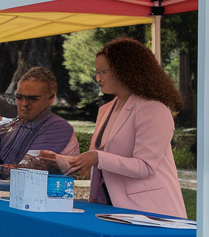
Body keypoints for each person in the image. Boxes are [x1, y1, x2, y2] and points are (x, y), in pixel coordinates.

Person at [42, 37, 186, 218]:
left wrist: (97, 157)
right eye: (96, 72)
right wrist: (60, 160)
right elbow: (100, 160)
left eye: (104, 71)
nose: (98, 78)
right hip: (111, 207)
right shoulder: (106, 109)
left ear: (126, 70)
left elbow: (145, 166)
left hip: (150, 212)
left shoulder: (154, 108)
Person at [0, 66, 78, 177]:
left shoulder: (57, 127)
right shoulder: (15, 124)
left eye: (33, 99)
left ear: (51, 98)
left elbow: (28, 169)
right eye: (19, 97)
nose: (24, 104)